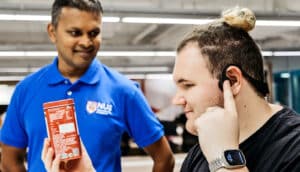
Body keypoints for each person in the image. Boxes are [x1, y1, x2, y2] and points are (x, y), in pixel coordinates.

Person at [42, 6, 300, 172]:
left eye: (187, 85)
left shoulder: (293, 149)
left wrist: (226, 160)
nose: (177, 99)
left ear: (232, 81)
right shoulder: (201, 152)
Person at [0, 0, 174, 171]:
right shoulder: (26, 90)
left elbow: (164, 159)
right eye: (75, 33)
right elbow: (9, 160)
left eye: (93, 33)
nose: (86, 42)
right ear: (52, 32)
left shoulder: (124, 91)